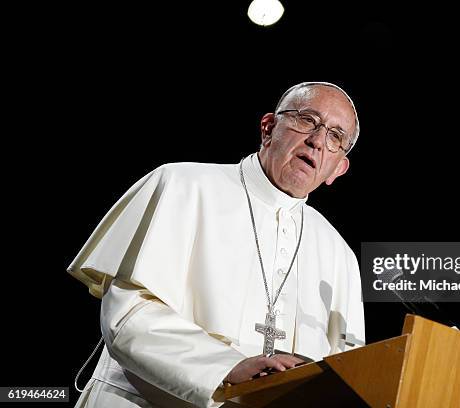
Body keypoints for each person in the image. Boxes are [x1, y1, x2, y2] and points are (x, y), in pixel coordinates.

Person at [67, 82, 365, 407]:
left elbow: (343, 373)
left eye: (336, 136)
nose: (318, 141)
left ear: (338, 169)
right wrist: (226, 367)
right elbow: (128, 317)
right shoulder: (181, 185)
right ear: (268, 128)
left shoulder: (339, 255)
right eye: (307, 120)